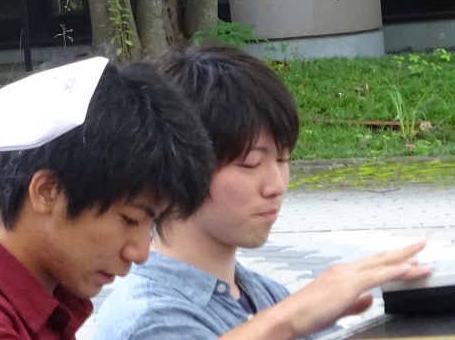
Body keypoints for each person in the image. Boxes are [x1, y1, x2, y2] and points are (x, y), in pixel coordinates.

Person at [93, 45, 430, 340]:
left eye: (283, 159)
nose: (276, 185)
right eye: (250, 163)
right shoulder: (153, 320)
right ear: (183, 166)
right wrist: (287, 320)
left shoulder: (262, 293)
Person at [0, 61, 216, 340]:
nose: (139, 252)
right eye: (130, 219)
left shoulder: (44, 304)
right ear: (47, 192)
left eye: (151, 224)